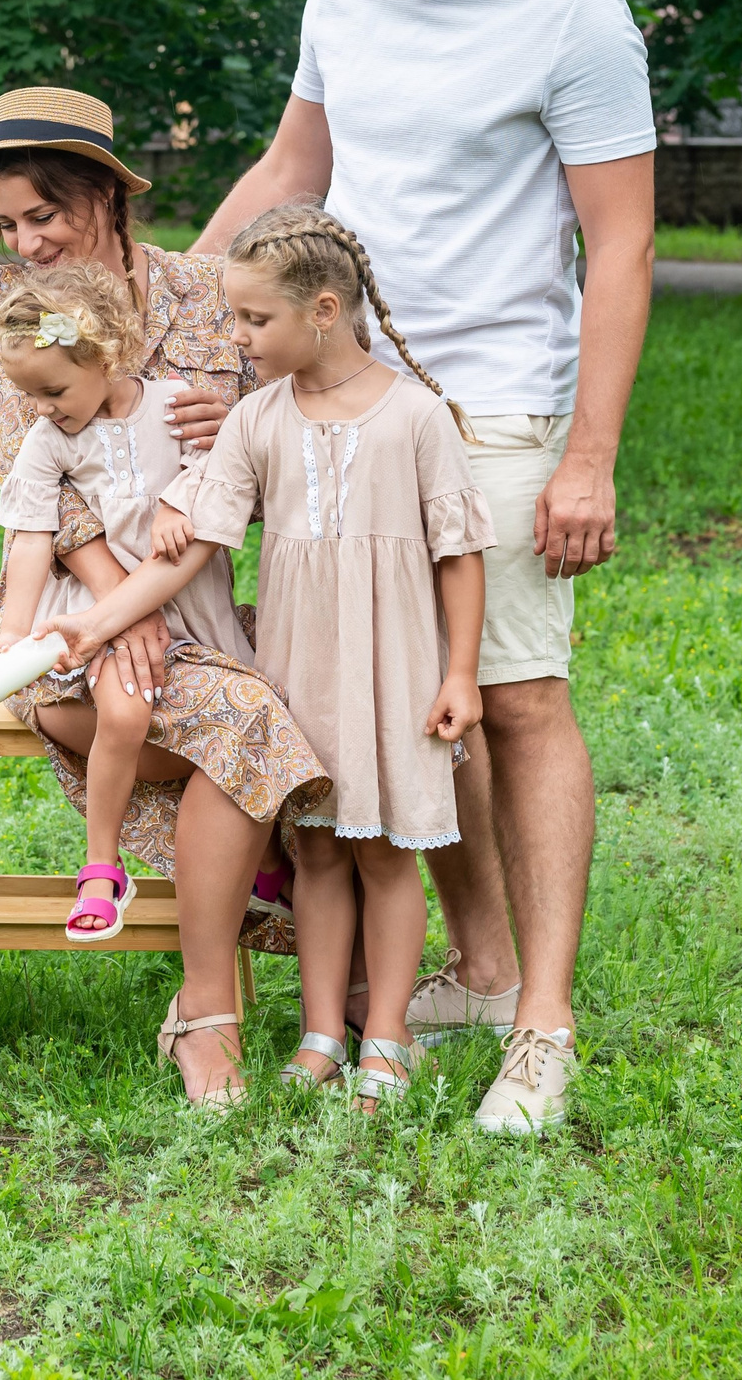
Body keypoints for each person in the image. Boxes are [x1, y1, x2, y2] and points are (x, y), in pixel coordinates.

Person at [193, 0, 657, 1135]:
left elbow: (619, 248)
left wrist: (591, 456)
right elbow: (297, 162)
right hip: (346, 389)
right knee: (402, 704)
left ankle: (543, 1029)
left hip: (496, 397)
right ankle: (484, 961)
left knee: (513, 696)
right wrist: (182, 309)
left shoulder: (574, 15)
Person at [44, 204, 492, 1110]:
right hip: (293, 668)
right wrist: (95, 625)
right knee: (320, 850)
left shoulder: (416, 416)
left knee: (384, 855)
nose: (238, 339)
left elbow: (460, 551)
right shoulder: (255, 420)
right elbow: (192, 546)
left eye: (255, 321)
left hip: (395, 671)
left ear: (323, 311)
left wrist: (460, 673)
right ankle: (323, 1032)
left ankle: (390, 1037)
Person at [0, 87, 327, 1104]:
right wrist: (123, 609)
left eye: (44, 214)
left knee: (320, 697)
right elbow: (32, 486)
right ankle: (209, 1013)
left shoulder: (210, 291)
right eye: (7, 222)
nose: (24, 242)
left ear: (108, 196)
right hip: (70, 623)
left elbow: (290, 449)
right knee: (247, 722)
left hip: (206, 607)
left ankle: (329, 971)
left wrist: (239, 420)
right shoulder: (1, 305)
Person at [0, 261, 265, 946]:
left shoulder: (174, 401)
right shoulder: (49, 442)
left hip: (190, 601)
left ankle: (264, 864)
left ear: (106, 354)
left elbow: (226, 464)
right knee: (127, 705)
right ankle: (102, 866)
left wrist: (181, 496)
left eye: (52, 390)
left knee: (258, 711)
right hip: (97, 608)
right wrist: (11, 631)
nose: (43, 408)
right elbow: (30, 540)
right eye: (30, 396)